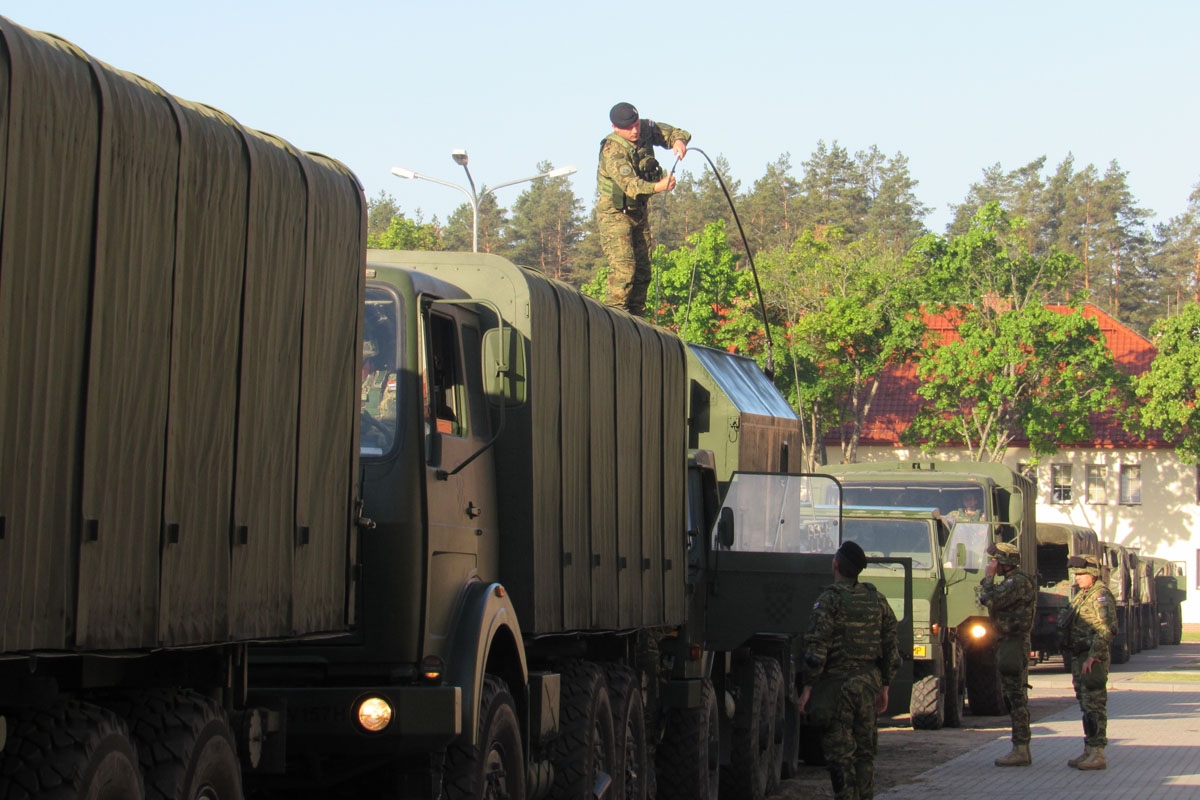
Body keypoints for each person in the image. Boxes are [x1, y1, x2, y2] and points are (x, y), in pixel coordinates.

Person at [799, 540, 900, 800]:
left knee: (840, 754)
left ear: (835, 565)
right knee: (865, 753)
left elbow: (817, 646)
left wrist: (808, 687)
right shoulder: (876, 599)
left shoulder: (829, 600)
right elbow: (891, 644)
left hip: (837, 688)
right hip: (868, 685)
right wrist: (885, 685)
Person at [595, 101, 690, 316]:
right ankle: (614, 319)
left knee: (644, 272)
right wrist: (659, 186)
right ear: (615, 128)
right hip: (615, 214)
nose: (635, 130)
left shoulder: (645, 129)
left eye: (636, 124)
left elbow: (674, 132)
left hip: (639, 213)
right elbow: (631, 186)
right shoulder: (612, 151)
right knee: (624, 269)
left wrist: (678, 141)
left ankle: (636, 321)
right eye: (629, 128)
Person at [978, 540, 1037, 766]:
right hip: (1008, 642)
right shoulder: (1015, 581)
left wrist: (988, 577)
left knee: (1015, 697)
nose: (992, 564)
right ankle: (1020, 746)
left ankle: (1021, 748)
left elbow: (988, 598)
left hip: (1013, 642)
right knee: (1012, 696)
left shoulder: (1016, 582)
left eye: (996, 560)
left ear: (1005, 562)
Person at [1058, 554, 1117, 770]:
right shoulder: (1083, 595)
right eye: (1075, 574)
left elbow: (1107, 629)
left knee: (1094, 705)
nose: (1077, 578)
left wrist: (1094, 656)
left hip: (1092, 659)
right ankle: (1089, 750)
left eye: (1081, 574)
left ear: (1092, 573)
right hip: (1080, 657)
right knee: (1085, 705)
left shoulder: (1100, 596)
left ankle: (1098, 753)